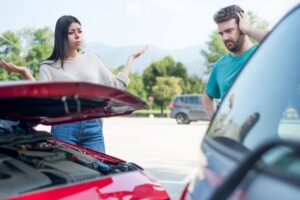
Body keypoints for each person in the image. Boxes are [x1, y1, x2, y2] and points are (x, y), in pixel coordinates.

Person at [0, 15, 147, 153]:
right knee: (68, 170)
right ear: (61, 36)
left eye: (80, 31)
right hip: (63, 128)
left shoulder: (91, 59)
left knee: (100, 169)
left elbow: (115, 86)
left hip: (93, 125)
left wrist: (130, 60)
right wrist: (26, 74)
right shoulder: (48, 66)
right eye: (72, 32)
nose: (78, 36)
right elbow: (41, 102)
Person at [202, 5, 268, 119]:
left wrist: (250, 30)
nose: (225, 38)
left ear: (242, 27)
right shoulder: (219, 66)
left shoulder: (262, 52)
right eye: (221, 33)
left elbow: (283, 39)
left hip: (262, 131)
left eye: (229, 31)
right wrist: (214, 124)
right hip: (232, 133)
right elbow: (207, 96)